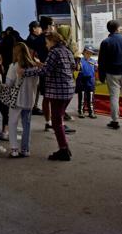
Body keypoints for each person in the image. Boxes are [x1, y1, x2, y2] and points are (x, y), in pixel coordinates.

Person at [19, 32, 76, 161]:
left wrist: (25, 72)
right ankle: (65, 147)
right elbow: (71, 67)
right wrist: (42, 65)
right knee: (59, 120)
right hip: (69, 89)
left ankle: (63, 150)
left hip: (58, 91)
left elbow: (45, 72)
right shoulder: (66, 50)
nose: (46, 45)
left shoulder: (54, 52)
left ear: (52, 41)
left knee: (56, 122)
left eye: (47, 42)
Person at [5, 43, 39, 158]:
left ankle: (14, 149)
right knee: (27, 125)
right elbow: (36, 83)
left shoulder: (14, 66)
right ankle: (25, 149)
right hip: (30, 100)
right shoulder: (34, 66)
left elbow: (8, 84)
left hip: (17, 100)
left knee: (13, 123)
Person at [25, 20, 43, 115]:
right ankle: (33, 106)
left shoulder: (34, 38)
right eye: (39, 27)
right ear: (34, 29)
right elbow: (33, 54)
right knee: (34, 87)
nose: (40, 29)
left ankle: (33, 106)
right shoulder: (32, 39)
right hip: (33, 66)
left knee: (36, 87)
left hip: (35, 65)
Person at [76, 47, 98, 119]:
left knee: (91, 96)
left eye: (90, 53)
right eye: (87, 53)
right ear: (84, 53)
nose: (88, 54)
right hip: (82, 79)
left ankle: (91, 111)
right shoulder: (81, 60)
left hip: (90, 80)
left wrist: (97, 67)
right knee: (82, 95)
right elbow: (78, 68)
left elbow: (97, 69)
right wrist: (78, 63)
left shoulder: (94, 61)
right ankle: (81, 111)